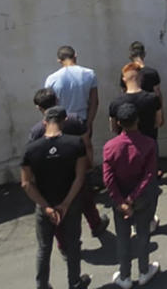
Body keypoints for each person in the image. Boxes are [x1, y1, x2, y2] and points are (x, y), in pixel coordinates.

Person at [22, 105, 91, 289]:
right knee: (73, 244)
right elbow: (80, 176)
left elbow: (26, 183)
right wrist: (66, 203)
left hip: (44, 204)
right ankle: (74, 283)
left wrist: (46, 206)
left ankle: (42, 285)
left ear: (45, 122)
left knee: (44, 248)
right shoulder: (76, 144)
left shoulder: (31, 149)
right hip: (70, 202)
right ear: (64, 120)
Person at [27, 90, 107, 241]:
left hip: (51, 178)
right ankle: (96, 225)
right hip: (76, 170)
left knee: (57, 211)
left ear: (38, 108)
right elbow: (87, 144)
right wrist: (89, 165)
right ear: (57, 100)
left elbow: (33, 157)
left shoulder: (37, 131)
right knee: (85, 199)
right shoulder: (74, 120)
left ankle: (63, 245)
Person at [102, 103, 160, 289]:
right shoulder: (149, 144)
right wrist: (132, 198)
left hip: (120, 200)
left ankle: (125, 276)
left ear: (119, 123)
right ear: (138, 120)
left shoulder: (110, 147)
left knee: (123, 237)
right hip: (142, 198)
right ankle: (144, 271)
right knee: (143, 233)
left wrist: (121, 200)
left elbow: (108, 178)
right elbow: (149, 175)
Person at [44, 45, 98, 127]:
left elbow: (48, 105)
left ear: (59, 60)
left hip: (61, 122)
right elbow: (94, 101)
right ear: (75, 55)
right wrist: (89, 123)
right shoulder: (89, 74)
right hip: (82, 119)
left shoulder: (52, 79)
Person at [109, 63, 163, 142]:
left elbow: (113, 128)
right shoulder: (153, 99)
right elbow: (158, 122)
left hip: (125, 146)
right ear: (141, 77)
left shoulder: (115, 103)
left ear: (124, 79)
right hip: (149, 144)